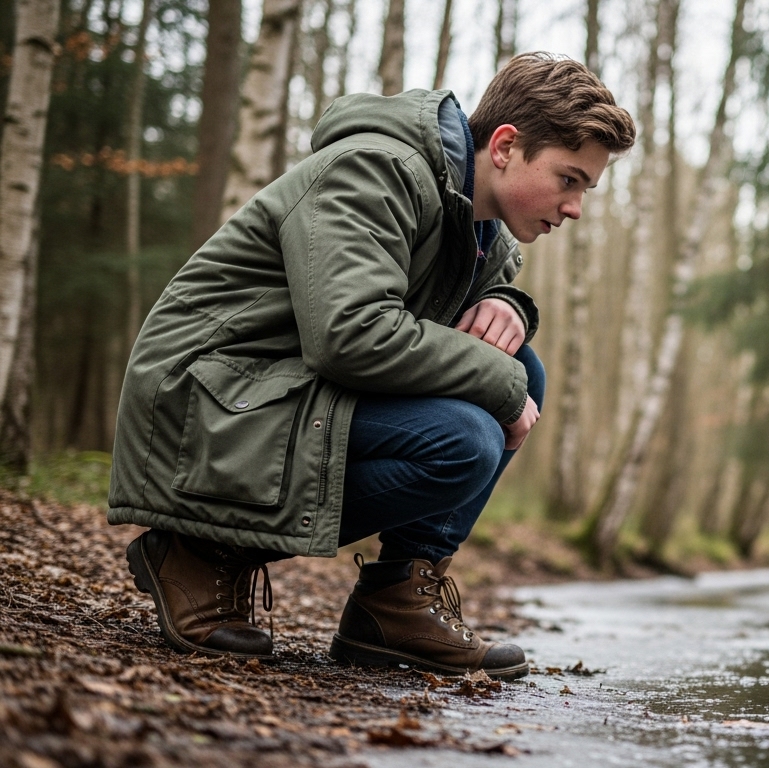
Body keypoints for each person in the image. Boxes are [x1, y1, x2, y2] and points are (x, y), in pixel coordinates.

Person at [107, 53, 635, 681]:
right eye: (568, 179)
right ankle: (198, 550)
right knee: (469, 436)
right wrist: (503, 383)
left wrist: (510, 305)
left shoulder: (475, 217)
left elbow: (460, 311)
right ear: (504, 147)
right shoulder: (375, 170)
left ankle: (396, 602)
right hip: (204, 399)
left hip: (281, 393)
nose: (574, 207)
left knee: (520, 366)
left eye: (585, 189)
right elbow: (349, 335)